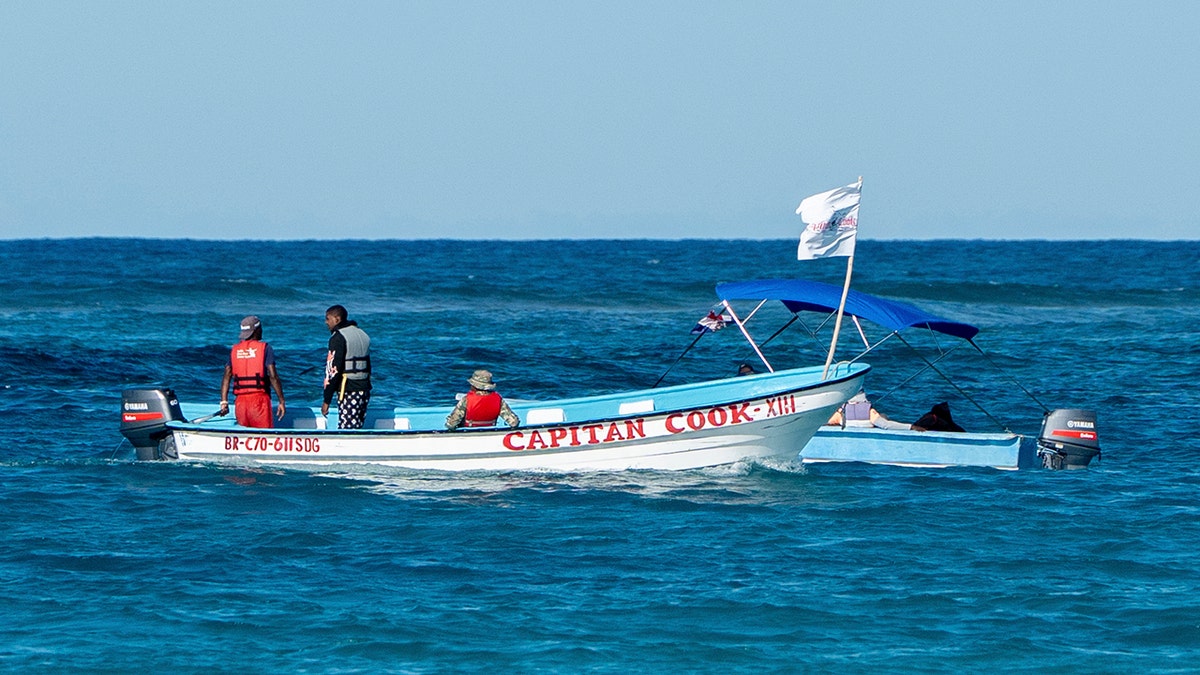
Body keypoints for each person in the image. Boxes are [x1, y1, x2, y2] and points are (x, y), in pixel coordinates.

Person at [219, 315, 286, 428]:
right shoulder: (265, 348)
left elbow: (227, 376)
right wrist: (281, 401)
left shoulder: (235, 350)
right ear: (256, 330)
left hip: (240, 403)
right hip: (259, 402)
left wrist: (224, 402)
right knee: (263, 437)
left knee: (244, 438)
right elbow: (273, 376)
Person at [321, 304, 372, 429]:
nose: (326, 322)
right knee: (358, 425)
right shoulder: (362, 334)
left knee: (347, 427)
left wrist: (326, 400)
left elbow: (333, 371)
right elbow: (368, 365)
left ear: (337, 319)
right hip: (364, 387)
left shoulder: (338, 337)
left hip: (349, 389)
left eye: (328, 319)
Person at [445, 370, 520, 430]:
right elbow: (514, 422)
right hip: (490, 430)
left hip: (469, 431)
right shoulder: (498, 399)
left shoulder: (467, 400)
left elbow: (451, 424)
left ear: (474, 386)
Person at [825, 391, 911, 430]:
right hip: (867, 424)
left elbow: (823, 421)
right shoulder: (869, 412)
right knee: (883, 416)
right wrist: (910, 427)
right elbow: (885, 425)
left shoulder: (841, 413)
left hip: (847, 424)